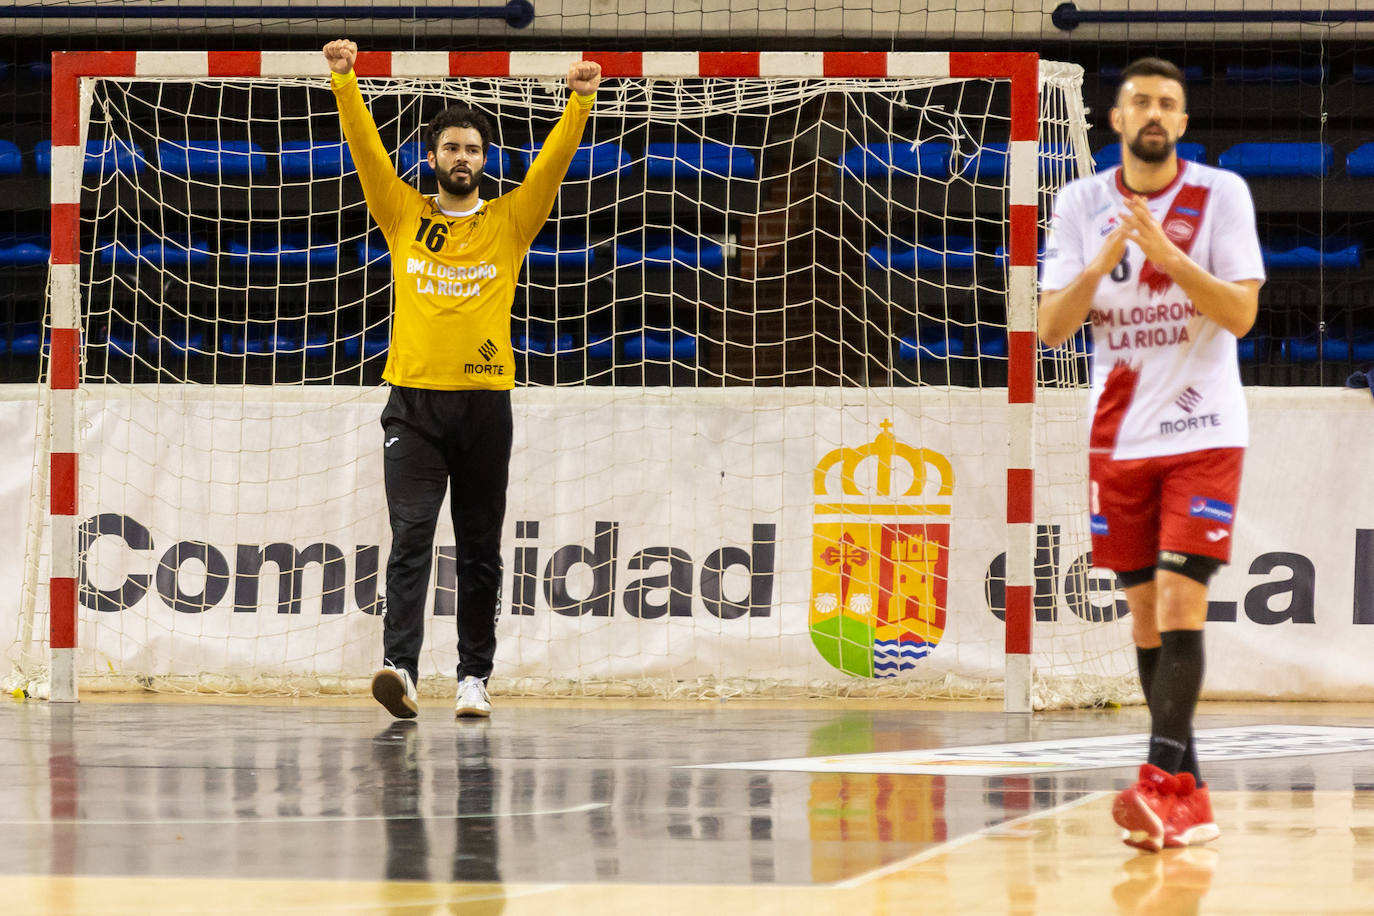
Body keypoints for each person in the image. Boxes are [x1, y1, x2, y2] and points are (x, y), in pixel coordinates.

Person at [324, 39, 602, 719]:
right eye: (451, 148)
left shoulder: (510, 220)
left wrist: (581, 101)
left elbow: (554, 166)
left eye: (473, 150)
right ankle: (400, 668)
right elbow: (365, 153)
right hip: (413, 408)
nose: (462, 159)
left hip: (484, 407)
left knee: (480, 549)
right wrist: (344, 81)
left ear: (485, 161)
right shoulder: (402, 213)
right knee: (412, 536)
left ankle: (474, 677)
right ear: (433, 158)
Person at [1038, 57, 1265, 853]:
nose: (1154, 113)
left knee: (1178, 599)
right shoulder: (1079, 203)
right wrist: (1103, 260)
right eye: (1140, 102)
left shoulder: (1219, 196)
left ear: (1184, 123)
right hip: (1118, 435)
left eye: (1168, 102)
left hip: (1204, 431)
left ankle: (1159, 781)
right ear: (1116, 120)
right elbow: (1050, 329)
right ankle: (1188, 798)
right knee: (1143, 616)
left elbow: (1239, 313)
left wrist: (1166, 255)